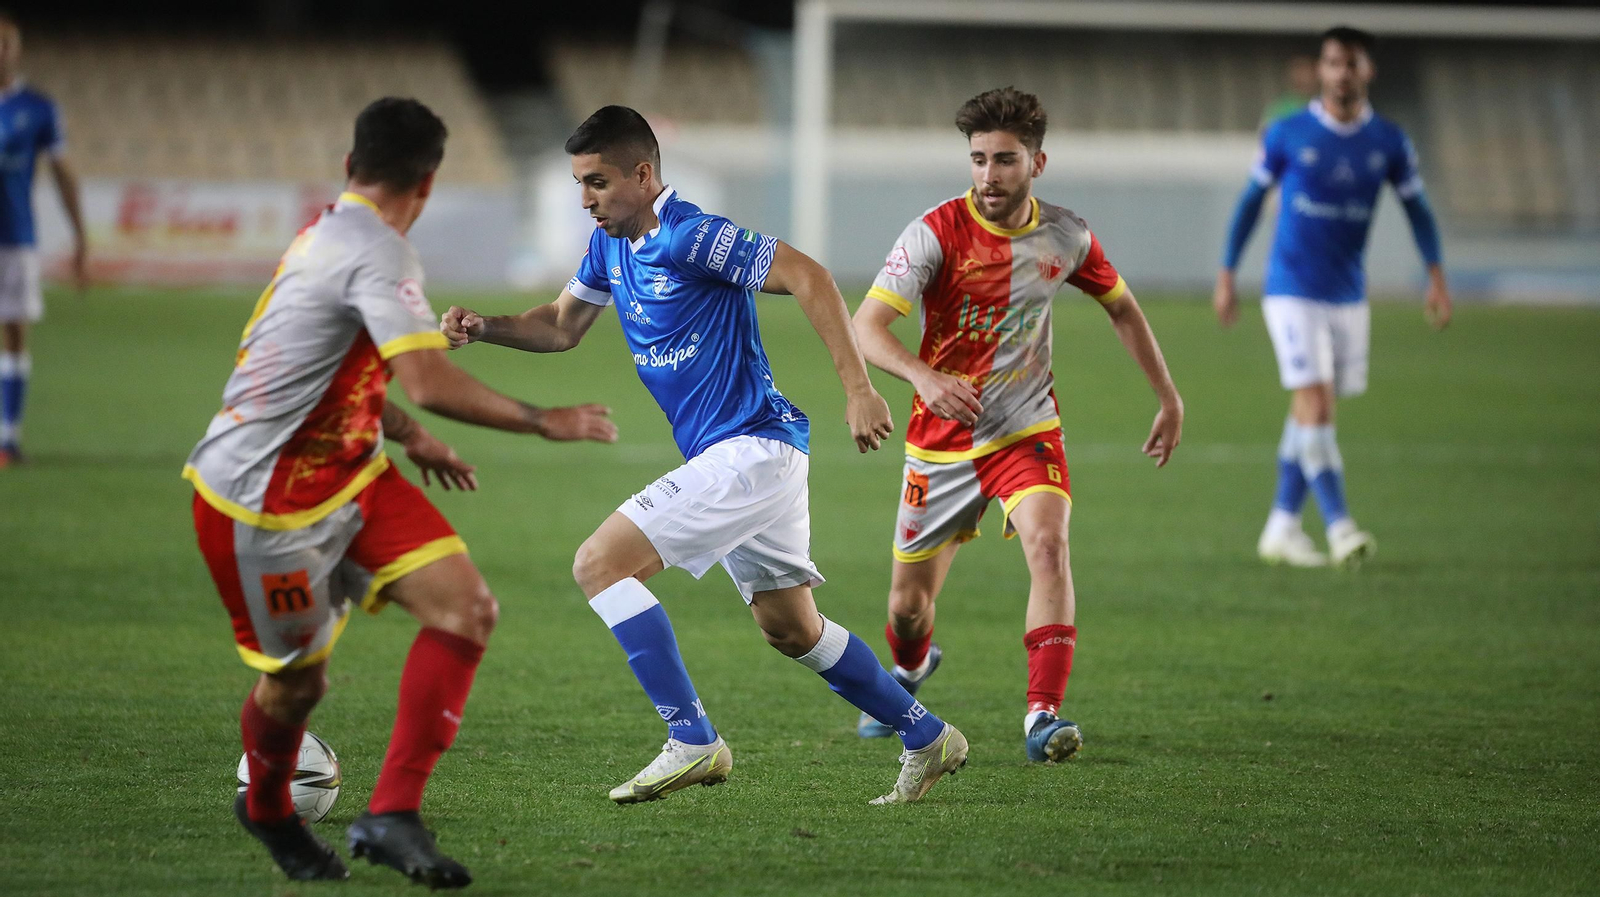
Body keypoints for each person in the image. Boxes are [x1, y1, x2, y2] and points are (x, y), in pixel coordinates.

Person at [441, 105, 968, 806]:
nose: (585, 199)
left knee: (599, 563)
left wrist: (859, 387)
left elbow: (808, 274)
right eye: (578, 184)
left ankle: (691, 738)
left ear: (643, 173)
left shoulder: (692, 235)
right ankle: (927, 733)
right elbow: (562, 326)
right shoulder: (610, 246)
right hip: (750, 457)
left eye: (597, 182)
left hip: (750, 450)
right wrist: (487, 327)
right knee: (790, 627)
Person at [185, 98, 615, 887]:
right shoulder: (375, 252)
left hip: (350, 472)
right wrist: (544, 418)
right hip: (260, 501)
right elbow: (427, 376)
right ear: (428, 183)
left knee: (466, 607)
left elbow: (340, 367)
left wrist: (410, 438)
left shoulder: (326, 233)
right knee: (297, 684)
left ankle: (392, 813)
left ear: (353, 167)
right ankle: (272, 807)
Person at [850, 87, 1184, 762]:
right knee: (906, 608)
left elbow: (1122, 308)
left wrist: (1168, 397)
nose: (987, 175)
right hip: (939, 445)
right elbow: (866, 327)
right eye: (977, 159)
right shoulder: (934, 233)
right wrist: (924, 377)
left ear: (1037, 161)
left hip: (1026, 429)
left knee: (1049, 543)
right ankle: (911, 669)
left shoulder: (1066, 235)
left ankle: (1042, 716)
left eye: (1004, 160)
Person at [1215, 26, 1451, 569]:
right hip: (1290, 287)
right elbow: (1250, 203)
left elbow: (1418, 210)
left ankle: (1280, 525)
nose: (1341, 72)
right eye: (1332, 62)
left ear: (1367, 71)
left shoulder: (1389, 142)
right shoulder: (1288, 133)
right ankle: (1341, 526)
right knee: (1316, 402)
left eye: (1351, 63)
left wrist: (1436, 274)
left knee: (1313, 411)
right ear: (1321, 70)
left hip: (1347, 293)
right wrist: (1228, 271)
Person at [0, 10, 87, 466]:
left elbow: (64, 174)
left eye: (8, 43)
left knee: (14, 333)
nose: (2, 51)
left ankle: (7, 438)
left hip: (15, 238)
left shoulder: (37, 107)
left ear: (17, 50)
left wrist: (80, 237)